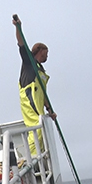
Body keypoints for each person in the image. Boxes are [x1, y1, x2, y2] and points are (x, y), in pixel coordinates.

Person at [13, 16, 56, 156]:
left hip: (38, 102)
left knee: (41, 130)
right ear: (39, 50)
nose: (47, 55)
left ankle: (38, 157)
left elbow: (43, 94)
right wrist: (18, 27)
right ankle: (29, 160)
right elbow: (21, 43)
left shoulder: (41, 70)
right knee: (36, 129)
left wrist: (50, 109)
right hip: (29, 99)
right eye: (46, 52)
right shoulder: (29, 61)